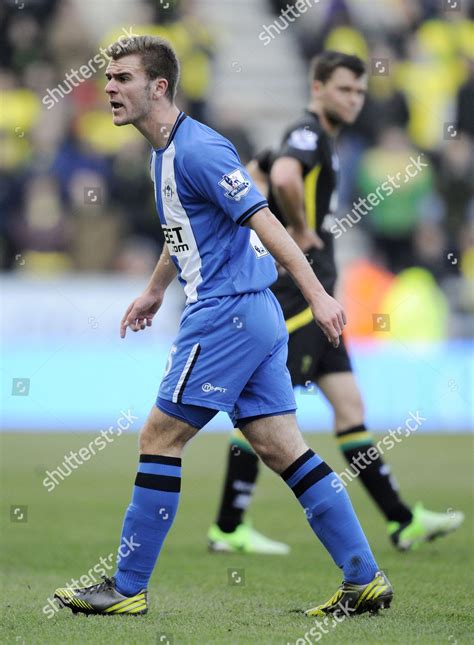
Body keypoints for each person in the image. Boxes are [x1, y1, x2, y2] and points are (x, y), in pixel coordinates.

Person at [54, 36, 392, 618]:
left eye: (123, 78)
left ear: (158, 87)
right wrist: (157, 289)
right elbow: (188, 230)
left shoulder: (201, 150)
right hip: (253, 314)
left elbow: (265, 221)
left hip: (227, 314)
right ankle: (364, 578)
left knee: (159, 438)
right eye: (108, 77)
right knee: (281, 447)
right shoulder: (163, 151)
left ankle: (127, 588)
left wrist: (319, 294)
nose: (109, 87)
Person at [208, 51, 464, 556]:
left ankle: (401, 520)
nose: (354, 99)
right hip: (302, 297)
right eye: (344, 89)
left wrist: (264, 220)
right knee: (263, 411)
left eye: (359, 92)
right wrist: (299, 230)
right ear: (318, 86)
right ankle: (228, 525)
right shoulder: (308, 135)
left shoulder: (320, 139)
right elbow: (280, 174)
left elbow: (257, 171)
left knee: (350, 407)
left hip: (318, 297)